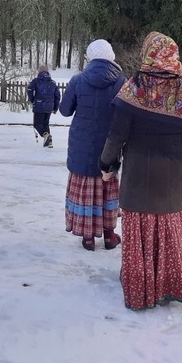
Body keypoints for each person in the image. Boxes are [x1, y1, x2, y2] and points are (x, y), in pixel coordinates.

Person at [99, 32, 182, 310]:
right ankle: (169, 284)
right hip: (174, 172)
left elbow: (116, 135)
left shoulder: (132, 89)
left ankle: (140, 287)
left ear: (149, 54)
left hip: (139, 171)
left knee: (140, 228)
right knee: (169, 229)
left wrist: (107, 164)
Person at [59, 39, 126, 250]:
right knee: (108, 189)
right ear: (111, 57)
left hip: (82, 145)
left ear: (90, 57)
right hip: (109, 144)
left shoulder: (78, 80)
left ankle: (87, 237)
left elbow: (64, 110)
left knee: (85, 189)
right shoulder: (121, 82)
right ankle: (109, 235)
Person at [27, 65, 61, 148]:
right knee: (45, 124)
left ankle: (45, 135)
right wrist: (55, 107)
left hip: (39, 105)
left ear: (39, 72)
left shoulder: (36, 81)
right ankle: (49, 142)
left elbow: (30, 89)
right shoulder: (53, 83)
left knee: (37, 124)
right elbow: (57, 96)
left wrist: (31, 99)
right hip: (49, 106)